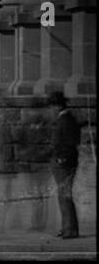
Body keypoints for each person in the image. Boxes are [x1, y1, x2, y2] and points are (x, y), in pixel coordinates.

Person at [48, 91, 80, 239]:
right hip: (63, 162)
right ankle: (67, 227)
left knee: (64, 196)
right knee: (63, 196)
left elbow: (69, 142)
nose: (51, 110)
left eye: (52, 106)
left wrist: (62, 159)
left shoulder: (65, 120)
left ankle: (70, 230)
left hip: (64, 163)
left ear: (58, 106)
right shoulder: (66, 119)